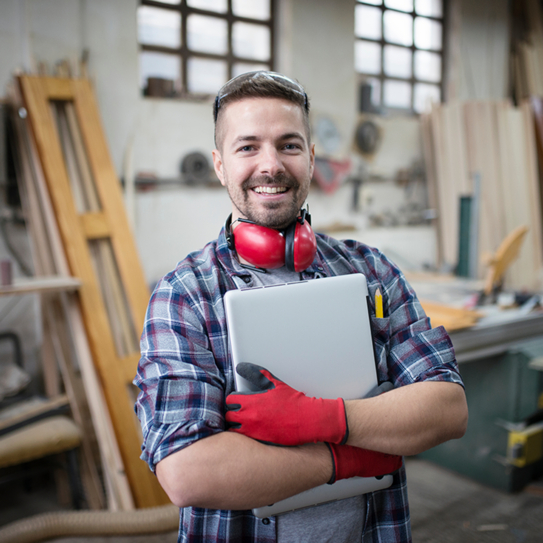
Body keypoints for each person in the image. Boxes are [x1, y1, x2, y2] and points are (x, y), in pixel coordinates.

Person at [134, 71, 468, 542]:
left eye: (289, 145)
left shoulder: (370, 270)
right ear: (219, 165)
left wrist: (325, 418)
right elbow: (188, 472)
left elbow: (448, 409)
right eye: (247, 147)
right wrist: (347, 459)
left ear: (311, 159)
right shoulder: (184, 294)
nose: (270, 165)